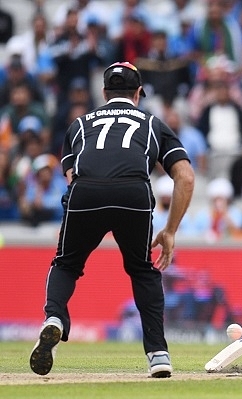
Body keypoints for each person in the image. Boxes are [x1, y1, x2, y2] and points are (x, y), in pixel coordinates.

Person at [29, 61, 195, 378]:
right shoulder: (151, 122)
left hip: (86, 192)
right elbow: (185, 177)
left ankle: (54, 317)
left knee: (66, 264)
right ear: (139, 93)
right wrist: (170, 230)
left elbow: (70, 175)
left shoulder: (79, 124)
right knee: (142, 270)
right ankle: (158, 354)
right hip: (134, 193)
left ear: (104, 92)